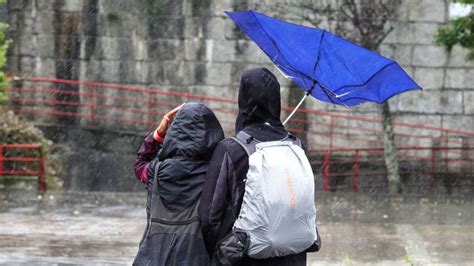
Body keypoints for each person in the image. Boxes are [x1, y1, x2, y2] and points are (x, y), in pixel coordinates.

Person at [199, 67, 319, 265]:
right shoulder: (297, 146)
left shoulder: (231, 149)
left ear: (243, 99)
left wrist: (222, 253)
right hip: (293, 256)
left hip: (246, 257)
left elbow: (209, 216)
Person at [133, 102, 224, 266]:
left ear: (175, 133)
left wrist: (158, 135)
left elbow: (140, 164)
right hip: (195, 258)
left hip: (152, 258)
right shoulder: (218, 175)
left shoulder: (156, 172)